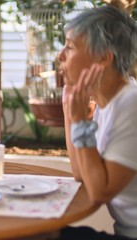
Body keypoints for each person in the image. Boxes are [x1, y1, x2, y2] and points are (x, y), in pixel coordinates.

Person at [58, 5, 137, 240]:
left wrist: (81, 121)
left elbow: (99, 192)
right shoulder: (107, 104)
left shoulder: (131, 104)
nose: (60, 55)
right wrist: (69, 110)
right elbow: (81, 173)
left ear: (103, 58)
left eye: (70, 47)